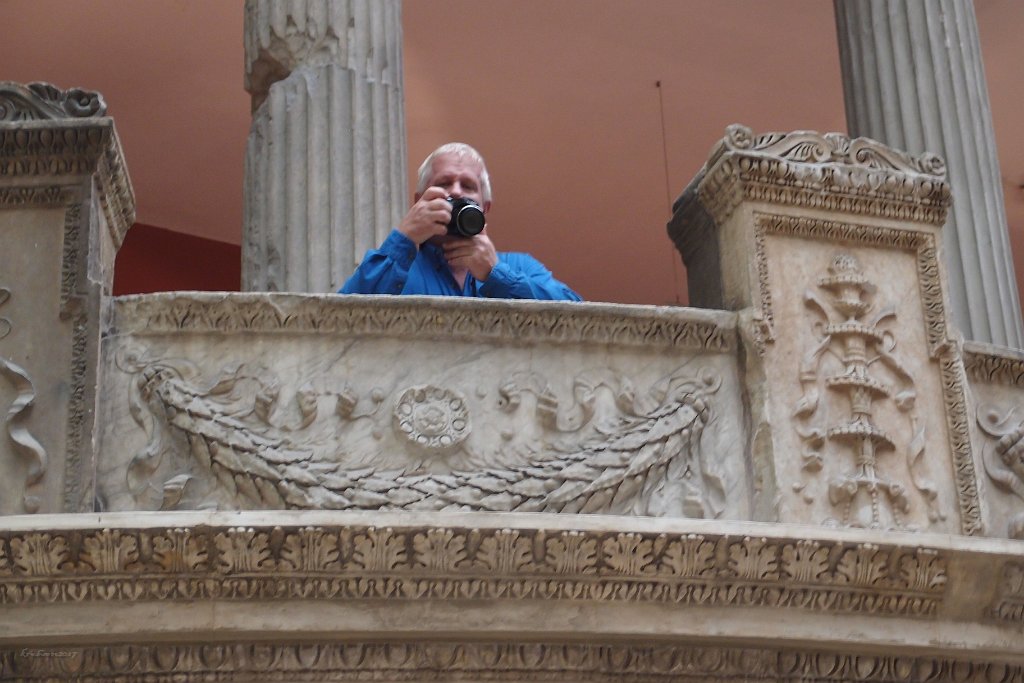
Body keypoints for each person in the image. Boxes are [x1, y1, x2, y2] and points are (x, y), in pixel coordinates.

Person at [341, 143, 581, 301]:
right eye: (444, 183)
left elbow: (577, 312)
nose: (455, 192)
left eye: (467, 185)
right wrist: (405, 238)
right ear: (419, 201)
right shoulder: (398, 266)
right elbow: (341, 316)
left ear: (485, 207)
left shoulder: (519, 266)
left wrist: (496, 273)